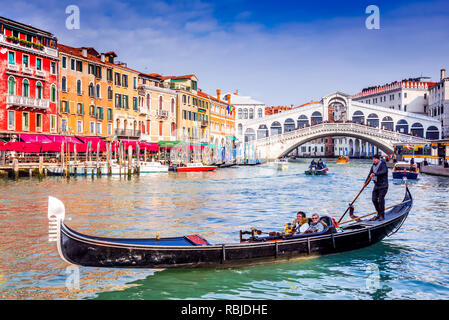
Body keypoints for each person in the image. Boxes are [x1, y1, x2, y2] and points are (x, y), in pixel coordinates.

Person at [366, 154, 388, 221]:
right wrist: (365, 183)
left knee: (381, 200)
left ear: (378, 159)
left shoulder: (383, 164)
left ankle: (382, 215)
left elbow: (383, 171)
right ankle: (379, 213)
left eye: (375, 159)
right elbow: (370, 175)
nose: (374, 160)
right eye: (373, 159)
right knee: (374, 199)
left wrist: (375, 174)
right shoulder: (373, 166)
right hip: (376, 185)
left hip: (383, 185)